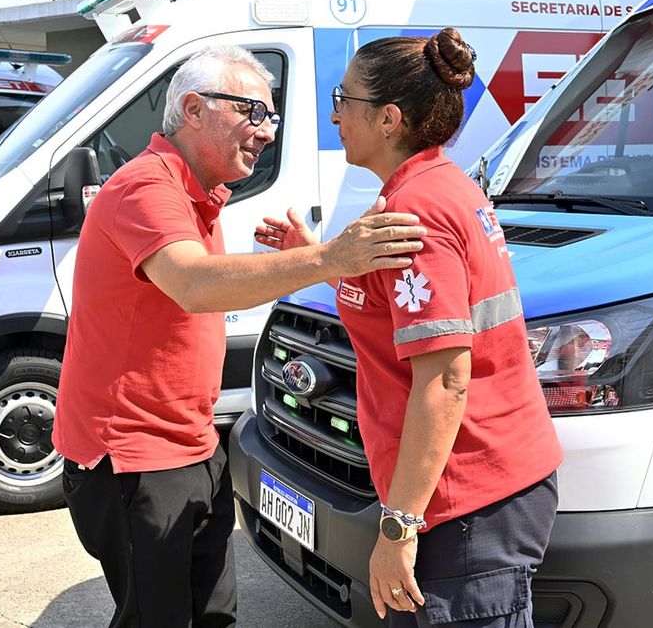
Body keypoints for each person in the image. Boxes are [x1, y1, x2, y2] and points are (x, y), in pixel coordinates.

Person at [52, 44, 426, 628]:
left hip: (192, 445)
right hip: (134, 459)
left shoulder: (197, 195)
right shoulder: (146, 188)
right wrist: (331, 257)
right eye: (253, 113)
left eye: (271, 116)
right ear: (194, 109)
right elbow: (195, 285)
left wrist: (312, 259)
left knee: (215, 615)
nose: (266, 131)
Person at [259, 28, 563, 628]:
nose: (336, 114)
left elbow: (446, 380)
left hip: (466, 499)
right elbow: (393, 307)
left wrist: (399, 526)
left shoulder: (415, 211)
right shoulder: (433, 187)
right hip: (472, 488)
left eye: (344, 100)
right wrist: (318, 256)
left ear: (390, 118)